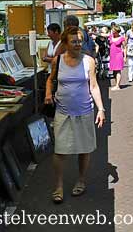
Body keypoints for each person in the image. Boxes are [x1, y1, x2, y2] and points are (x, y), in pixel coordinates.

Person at [44, 26, 106, 204]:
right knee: (60, 150)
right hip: (62, 112)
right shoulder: (58, 61)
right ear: (65, 43)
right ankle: (59, 185)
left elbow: (93, 86)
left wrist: (101, 109)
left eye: (80, 41)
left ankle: (81, 180)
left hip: (84, 111)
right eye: (74, 41)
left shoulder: (89, 61)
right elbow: (50, 79)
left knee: (84, 149)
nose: (78, 44)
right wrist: (48, 94)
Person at [108, 25, 126, 91]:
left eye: (114, 31)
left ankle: (117, 85)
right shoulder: (111, 36)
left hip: (118, 55)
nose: (112, 32)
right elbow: (103, 35)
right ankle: (116, 84)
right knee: (114, 71)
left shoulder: (121, 38)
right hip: (112, 56)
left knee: (118, 70)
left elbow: (124, 47)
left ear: (117, 32)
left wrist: (125, 57)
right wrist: (93, 33)